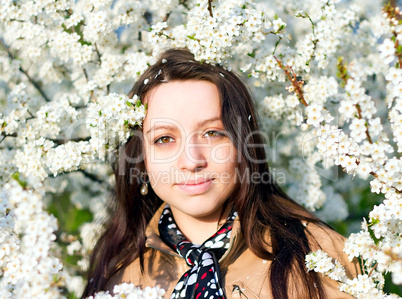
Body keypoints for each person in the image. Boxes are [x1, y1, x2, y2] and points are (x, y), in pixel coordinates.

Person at [82, 48, 359, 299]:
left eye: (213, 133)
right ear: (140, 159)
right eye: (164, 139)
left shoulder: (319, 257)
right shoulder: (119, 281)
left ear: (243, 145)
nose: (192, 160)